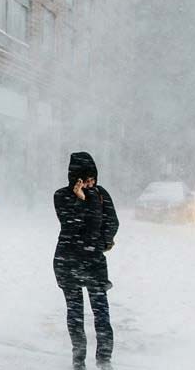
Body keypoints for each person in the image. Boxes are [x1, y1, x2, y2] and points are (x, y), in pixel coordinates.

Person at [54, 152, 119, 370]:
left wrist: (102, 243)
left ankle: (104, 359)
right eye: (86, 179)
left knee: (101, 313)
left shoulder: (101, 195)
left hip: (94, 262)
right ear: (75, 179)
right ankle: (78, 360)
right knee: (75, 314)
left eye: (93, 178)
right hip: (68, 262)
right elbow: (71, 225)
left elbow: (112, 222)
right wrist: (81, 200)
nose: (91, 183)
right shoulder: (61, 196)